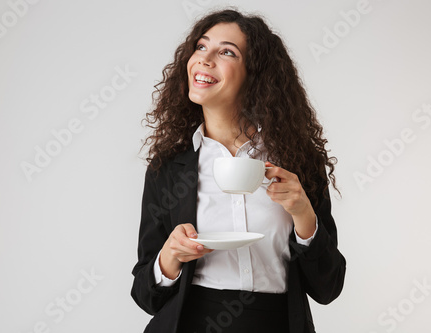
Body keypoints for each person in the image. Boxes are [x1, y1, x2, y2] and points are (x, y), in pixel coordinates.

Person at [131, 8, 346, 333]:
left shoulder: (298, 164)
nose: (204, 58)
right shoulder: (167, 169)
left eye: (226, 51)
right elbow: (145, 297)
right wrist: (170, 257)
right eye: (201, 47)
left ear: (255, 74)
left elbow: (327, 288)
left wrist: (303, 213)